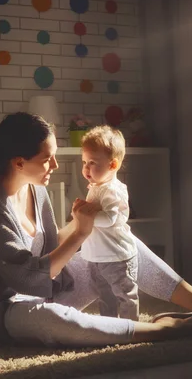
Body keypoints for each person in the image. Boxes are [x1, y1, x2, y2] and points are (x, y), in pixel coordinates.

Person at [0, 112, 192, 348]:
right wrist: (80, 232)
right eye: (46, 158)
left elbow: (52, 250)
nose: (54, 165)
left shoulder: (36, 190)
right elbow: (25, 277)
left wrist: (85, 223)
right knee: (51, 319)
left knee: (122, 244)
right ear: (18, 162)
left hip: (50, 291)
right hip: (4, 313)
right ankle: (170, 329)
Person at [79, 126, 139, 321]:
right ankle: (110, 326)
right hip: (99, 256)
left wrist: (86, 215)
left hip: (116, 256)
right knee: (105, 295)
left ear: (113, 165)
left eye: (92, 162)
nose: (86, 168)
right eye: (84, 162)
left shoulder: (111, 190)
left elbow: (109, 219)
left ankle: (131, 328)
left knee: (125, 294)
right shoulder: (97, 187)